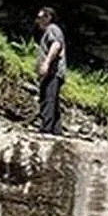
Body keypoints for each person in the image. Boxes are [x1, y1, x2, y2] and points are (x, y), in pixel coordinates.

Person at [34, 7, 66, 135]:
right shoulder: (48, 31)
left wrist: (46, 63)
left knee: (48, 98)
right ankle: (56, 130)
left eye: (41, 17)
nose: (38, 20)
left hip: (53, 72)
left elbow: (56, 45)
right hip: (53, 72)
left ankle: (45, 129)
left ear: (49, 18)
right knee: (52, 100)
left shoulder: (52, 29)